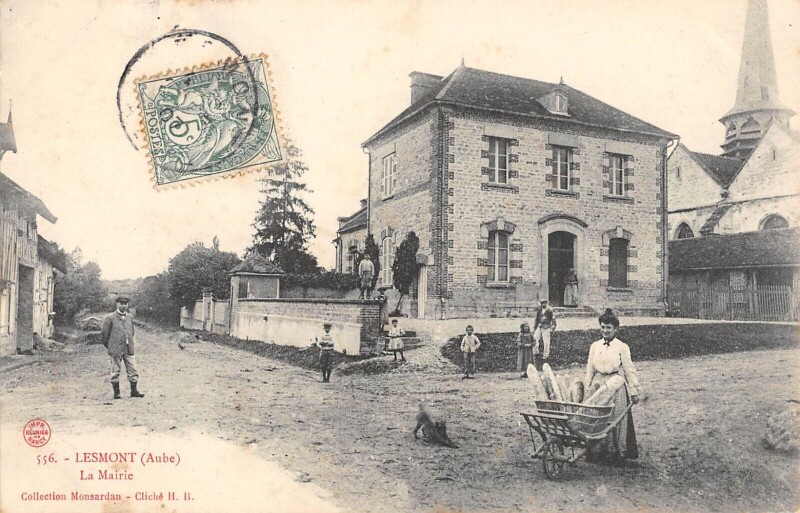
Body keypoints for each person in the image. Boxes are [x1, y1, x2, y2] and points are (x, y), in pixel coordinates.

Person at [583, 308, 642, 463]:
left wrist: (634, 390)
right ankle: (597, 451)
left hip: (615, 386)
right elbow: (590, 368)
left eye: (609, 328)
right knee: (597, 418)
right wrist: (587, 387)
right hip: (598, 385)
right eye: (602, 327)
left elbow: (629, 369)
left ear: (616, 329)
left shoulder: (622, 347)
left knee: (615, 419)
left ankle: (616, 453)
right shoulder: (595, 346)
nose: (605, 331)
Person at [101, 296, 144, 399]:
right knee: (115, 371)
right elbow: (104, 335)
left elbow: (131, 332)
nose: (124, 306)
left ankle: (134, 391)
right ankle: (117, 393)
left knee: (133, 370)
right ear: (117, 304)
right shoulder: (110, 318)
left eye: (125, 304)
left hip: (128, 348)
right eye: (121, 303)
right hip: (116, 349)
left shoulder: (130, 317)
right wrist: (111, 347)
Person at [532, 299, 557, 363]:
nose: (543, 304)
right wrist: (534, 327)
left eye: (545, 303)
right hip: (540, 326)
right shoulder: (539, 309)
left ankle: (545, 355)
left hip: (546, 327)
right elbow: (537, 319)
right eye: (542, 303)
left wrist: (553, 327)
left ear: (547, 303)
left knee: (546, 341)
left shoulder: (550, 310)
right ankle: (535, 352)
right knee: (535, 338)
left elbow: (553, 318)